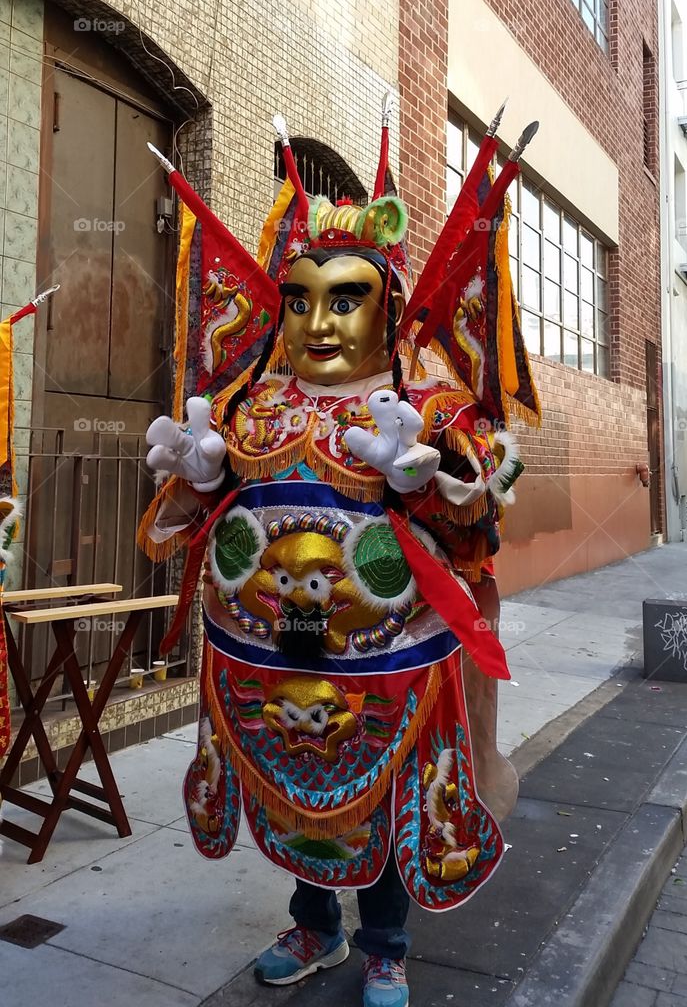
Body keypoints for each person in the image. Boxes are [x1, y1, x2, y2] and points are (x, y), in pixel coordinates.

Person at [138, 103, 540, 1007]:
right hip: (269, 660)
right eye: (299, 300)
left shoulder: (426, 405)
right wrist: (198, 473)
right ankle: (314, 925)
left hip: (390, 666)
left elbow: (481, 520)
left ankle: (386, 943)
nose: (318, 322)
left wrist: (429, 481)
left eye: (346, 298)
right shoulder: (254, 405)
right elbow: (205, 505)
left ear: (388, 303)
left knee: (387, 800)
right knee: (297, 797)